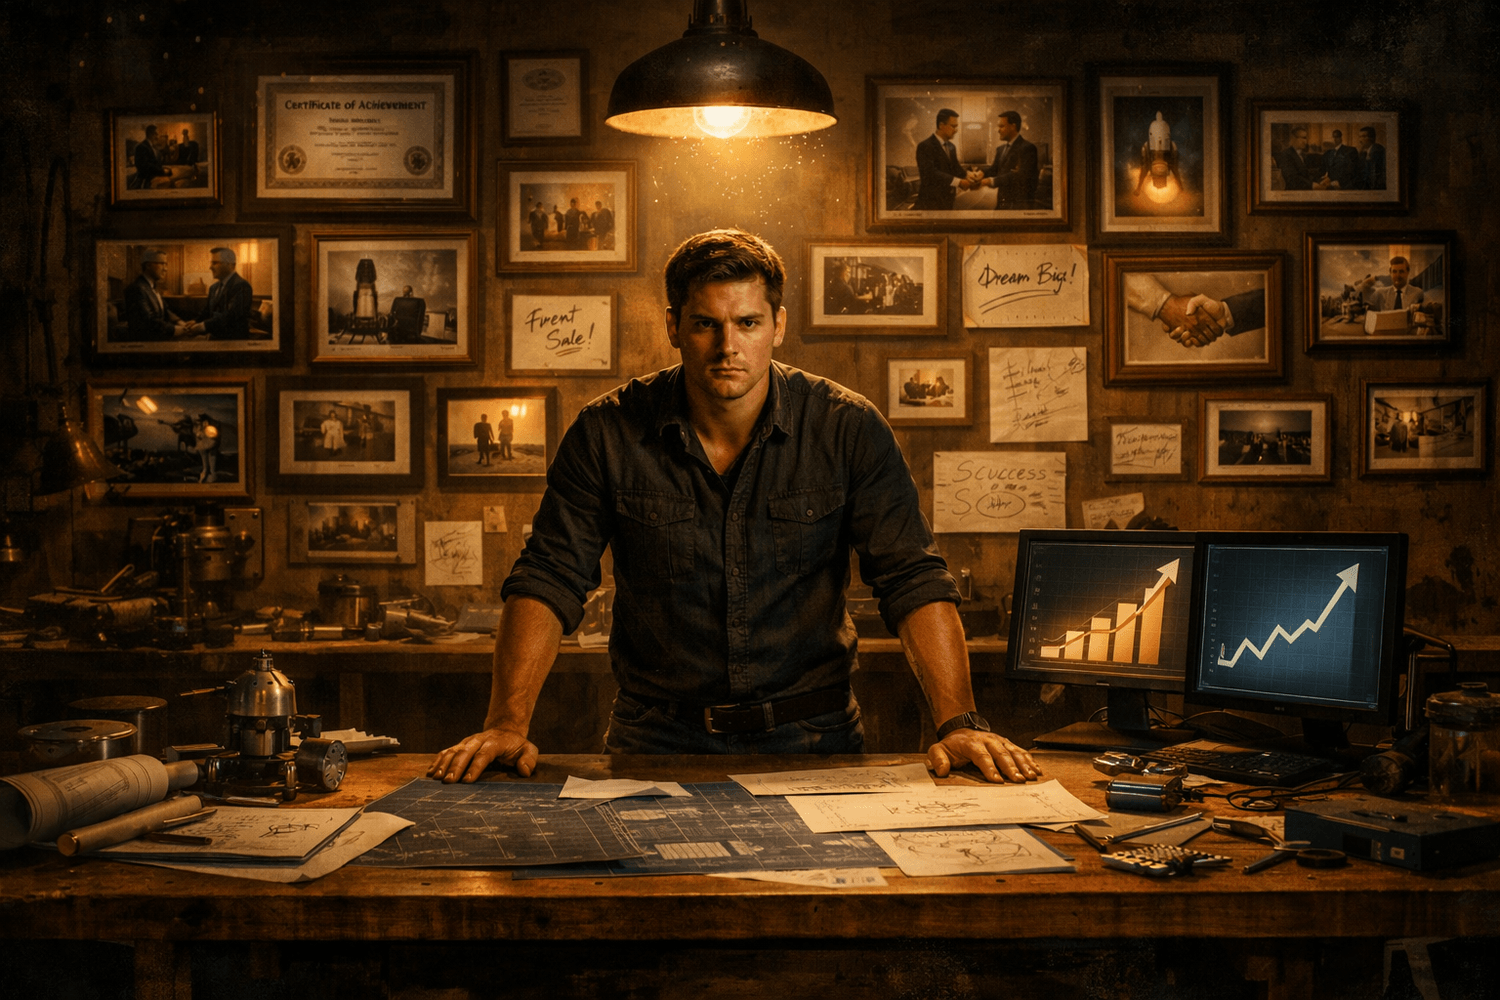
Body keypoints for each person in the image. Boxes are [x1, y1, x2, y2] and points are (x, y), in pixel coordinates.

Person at [429, 229, 1039, 786]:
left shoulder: (846, 428)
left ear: (777, 324)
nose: (728, 346)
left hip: (816, 740)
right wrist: (507, 724)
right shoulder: (607, 431)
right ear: (672, 326)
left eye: (747, 323)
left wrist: (960, 721)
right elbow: (549, 576)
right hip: (654, 739)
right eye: (705, 325)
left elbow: (911, 578)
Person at [181, 247, 253, 340]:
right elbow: (207, 311)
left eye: (215, 263)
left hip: (232, 343)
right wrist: (195, 321)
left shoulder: (242, 286)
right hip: (214, 339)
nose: (210, 267)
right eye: (211, 263)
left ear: (230, 265)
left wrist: (202, 326)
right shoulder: (213, 287)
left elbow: (230, 316)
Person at [975, 110, 1039, 210]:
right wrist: (981, 173)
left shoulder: (1028, 148)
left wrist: (990, 181)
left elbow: (1020, 175)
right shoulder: (1000, 149)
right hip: (1001, 203)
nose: (998, 130)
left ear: (1013, 126)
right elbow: (994, 169)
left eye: (1001, 126)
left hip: (1019, 206)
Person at [913, 109, 974, 210]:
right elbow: (930, 173)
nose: (956, 130)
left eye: (957, 127)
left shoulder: (951, 147)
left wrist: (969, 176)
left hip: (948, 201)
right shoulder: (925, 146)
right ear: (941, 125)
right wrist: (959, 182)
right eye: (953, 126)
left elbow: (955, 168)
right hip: (930, 203)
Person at [122, 249, 183, 341]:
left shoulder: (152, 286)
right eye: (161, 263)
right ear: (148, 265)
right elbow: (148, 321)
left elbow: (165, 310)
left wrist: (179, 322)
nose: (165, 269)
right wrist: (174, 329)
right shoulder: (136, 288)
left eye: (166, 264)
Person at [1135, 112, 1184, 195]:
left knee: (1175, 170)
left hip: (1163, 157)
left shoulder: (1169, 145)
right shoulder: (1148, 146)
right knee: (1144, 170)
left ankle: (1180, 188)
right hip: (1155, 157)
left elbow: (1175, 157)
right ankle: (1138, 188)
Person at [132, 124, 167, 189]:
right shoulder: (140, 147)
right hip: (145, 181)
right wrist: (162, 171)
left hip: (155, 177)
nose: (157, 136)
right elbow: (144, 166)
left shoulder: (154, 148)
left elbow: (156, 163)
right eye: (156, 134)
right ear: (151, 134)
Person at [1356, 126, 1387, 191]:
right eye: (1360, 136)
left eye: (1364, 136)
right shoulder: (1364, 153)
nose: (1360, 140)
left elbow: (1376, 177)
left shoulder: (1378, 150)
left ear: (1372, 138)